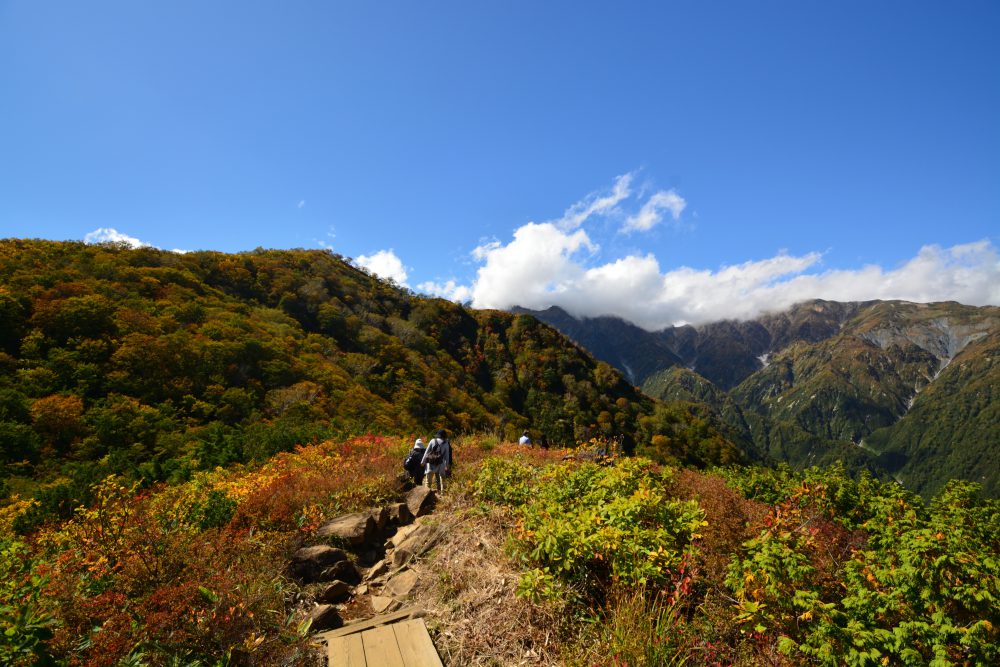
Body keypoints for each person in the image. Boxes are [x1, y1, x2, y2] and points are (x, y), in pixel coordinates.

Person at [421, 429, 452, 493]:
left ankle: (426, 494)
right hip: (440, 464)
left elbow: (427, 452)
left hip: (430, 463)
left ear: (438, 435)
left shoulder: (432, 441)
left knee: (428, 482)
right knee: (442, 480)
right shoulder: (446, 443)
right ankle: (443, 493)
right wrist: (447, 465)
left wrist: (423, 461)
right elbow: (447, 456)